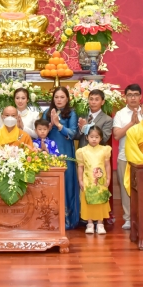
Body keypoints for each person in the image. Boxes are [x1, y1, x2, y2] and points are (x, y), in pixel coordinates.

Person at [45, 86, 79, 229]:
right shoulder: (46, 112)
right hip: (50, 153)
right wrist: (50, 124)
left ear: (67, 99)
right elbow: (41, 132)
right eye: (56, 97)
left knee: (67, 183)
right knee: (50, 183)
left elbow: (73, 134)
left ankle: (68, 220)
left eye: (62, 97)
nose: (59, 100)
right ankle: (49, 219)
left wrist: (58, 125)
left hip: (65, 154)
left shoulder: (71, 113)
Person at [112, 83, 142, 229]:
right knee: (125, 189)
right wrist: (132, 122)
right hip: (125, 157)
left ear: (140, 97)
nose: (133, 98)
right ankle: (128, 218)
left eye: (136, 95)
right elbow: (116, 135)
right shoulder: (120, 114)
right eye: (130, 95)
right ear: (125, 97)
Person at [77, 125, 112, 235]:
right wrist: (80, 180)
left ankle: (100, 224)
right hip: (88, 181)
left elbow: (107, 165)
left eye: (97, 137)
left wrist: (109, 178)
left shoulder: (105, 150)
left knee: (101, 201)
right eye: (91, 137)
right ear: (87, 137)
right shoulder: (82, 151)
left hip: (101, 181)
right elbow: (80, 167)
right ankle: (90, 223)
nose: (94, 139)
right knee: (88, 201)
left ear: (101, 138)